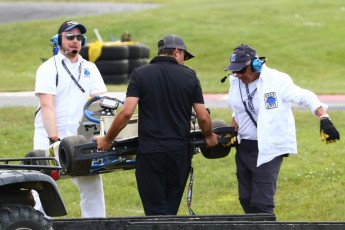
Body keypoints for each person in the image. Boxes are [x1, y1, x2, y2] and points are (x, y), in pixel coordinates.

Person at [95, 34, 218, 215]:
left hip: (150, 152)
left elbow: (127, 112)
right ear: (177, 51)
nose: (184, 61)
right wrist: (209, 136)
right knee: (170, 210)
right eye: (184, 55)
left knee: (154, 212)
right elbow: (203, 116)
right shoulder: (190, 76)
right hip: (179, 153)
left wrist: (107, 139)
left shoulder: (140, 74)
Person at [225, 44, 340, 214]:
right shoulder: (236, 81)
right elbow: (239, 108)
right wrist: (231, 130)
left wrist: (324, 118)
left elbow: (304, 96)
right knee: (245, 198)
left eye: (242, 70)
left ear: (256, 64)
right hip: (244, 146)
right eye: (235, 71)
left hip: (269, 147)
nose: (239, 75)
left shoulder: (277, 80)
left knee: (262, 202)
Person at [33, 20, 107, 218]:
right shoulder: (48, 68)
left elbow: (100, 103)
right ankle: (35, 223)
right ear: (59, 40)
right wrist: (54, 140)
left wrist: (93, 136)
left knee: (92, 185)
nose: (75, 41)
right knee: (41, 185)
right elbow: (47, 105)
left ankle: (95, 224)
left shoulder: (90, 68)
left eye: (79, 37)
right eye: (70, 37)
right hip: (48, 135)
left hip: (79, 138)